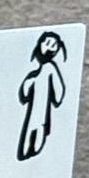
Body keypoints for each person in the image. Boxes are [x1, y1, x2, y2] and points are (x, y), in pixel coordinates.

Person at [17, 30, 67, 162]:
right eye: (47, 43)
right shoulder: (34, 74)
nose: (50, 48)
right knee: (27, 145)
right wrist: (29, 82)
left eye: (53, 45)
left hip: (42, 117)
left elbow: (59, 94)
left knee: (36, 145)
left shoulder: (50, 69)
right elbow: (25, 94)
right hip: (33, 115)